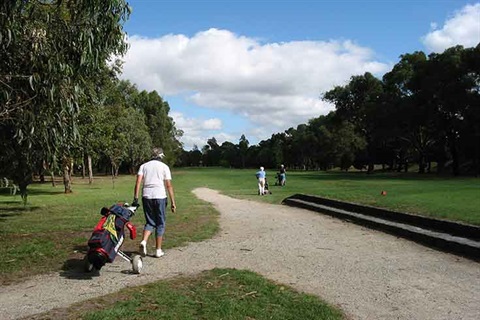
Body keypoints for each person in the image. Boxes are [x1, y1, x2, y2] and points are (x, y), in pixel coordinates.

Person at [133, 147, 176, 258]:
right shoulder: (164, 167)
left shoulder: (144, 166)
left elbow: (138, 182)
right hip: (160, 196)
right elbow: (169, 185)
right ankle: (158, 250)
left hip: (146, 196)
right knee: (160, 223)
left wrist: (136, 198)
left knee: (150, 222)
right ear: (161, 156)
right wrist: (173, 202)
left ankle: (144, 241)